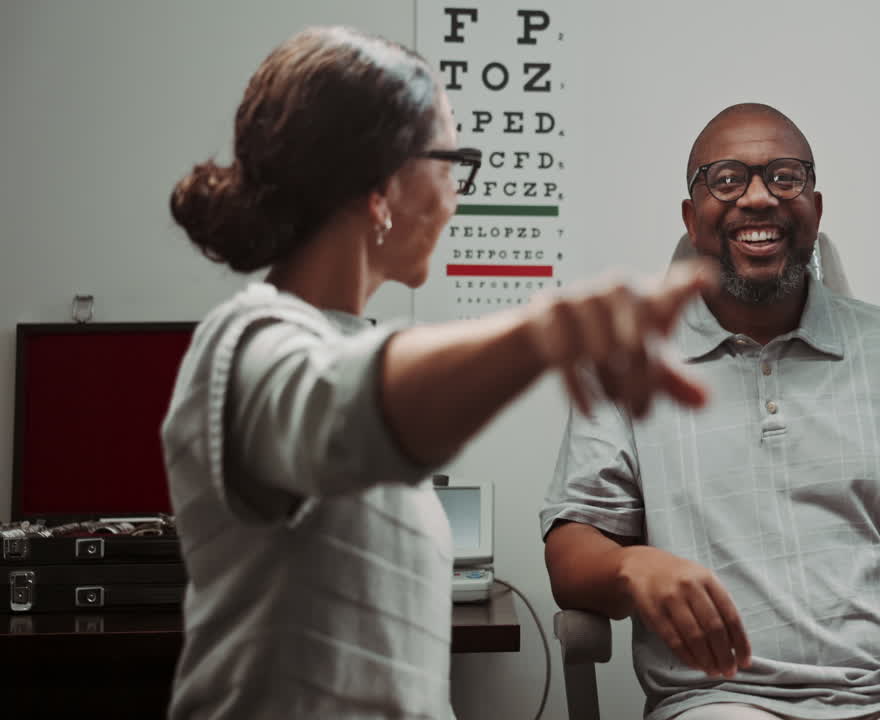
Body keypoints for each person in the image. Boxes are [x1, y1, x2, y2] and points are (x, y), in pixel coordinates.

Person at [161, 26, 713, 720]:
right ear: (381, 186)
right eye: (451, 161)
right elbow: (342, 409)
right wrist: (548, 331)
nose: (456, 194)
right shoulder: (245, 345)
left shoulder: (344, 345)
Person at [541, 103, 880, 720]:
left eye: (785, 177)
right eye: (727, 179)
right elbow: (571, 554)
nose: (758, 198)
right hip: (720, 699)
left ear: (815, 209)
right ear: (691, 219)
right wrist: (629, 567)